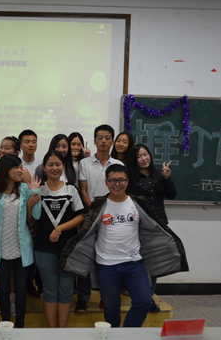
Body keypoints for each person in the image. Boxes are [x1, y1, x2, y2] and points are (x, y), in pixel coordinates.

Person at [59, 164, 188, 328]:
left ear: (127, 182)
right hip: (106, 265)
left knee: (143, 301)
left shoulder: (138, 203)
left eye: (121, 180)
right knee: (111, 309)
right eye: (112, 180)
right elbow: (87, 233)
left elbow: (152, 228)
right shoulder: (99, 205)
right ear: (106, 183)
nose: (117, 184)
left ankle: (127, 334)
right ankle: (114, 337)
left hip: (134, 263)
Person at [0, 154, 41, 328]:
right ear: (6, 170)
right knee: (3, 289)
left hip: (21, 247)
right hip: (1, 248)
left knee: (20, 289)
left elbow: (36, 216)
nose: (21, 171)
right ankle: (5, 325)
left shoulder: (26, 188)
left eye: (21, 167)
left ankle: (20, 325)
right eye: (17, 168)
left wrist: (35, 192)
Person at [34, 151, 86, 328]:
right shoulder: (38, 190)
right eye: (50, 164)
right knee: (49, 291)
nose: (54, 168)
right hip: (43, 249)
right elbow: (30, 218)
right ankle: (52, 331)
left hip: (68, 248)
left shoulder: (71, 189)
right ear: (44, 167)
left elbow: (81, 216)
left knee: (66, 291)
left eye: (58, 164)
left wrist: (59, 228)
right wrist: (30, 204)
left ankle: (62, 331)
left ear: (63, 166)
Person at [75, 125, 124, 312]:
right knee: (85, 258)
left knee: (109, 259)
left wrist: (108, 212)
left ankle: (106, 297)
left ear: (112, 141)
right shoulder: (84, 163)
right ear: (95, 141)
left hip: (112, 218)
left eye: (107, 137)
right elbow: (83, 190)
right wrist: (95, 212)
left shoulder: (118, 165)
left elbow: (119, 190)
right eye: (100, 137)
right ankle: (83, 299)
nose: (104, 141)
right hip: (90, 216)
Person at [126, 144, 177, 312]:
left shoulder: (158, 175)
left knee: (154, 264)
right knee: (142, 264)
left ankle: (149, 297)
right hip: (139, 227)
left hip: (159, 225)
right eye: (139, 156)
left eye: (145, 154)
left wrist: (166, 178)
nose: (143, 158)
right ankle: (144, 298)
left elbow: (171, 194)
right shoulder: (131, 179)